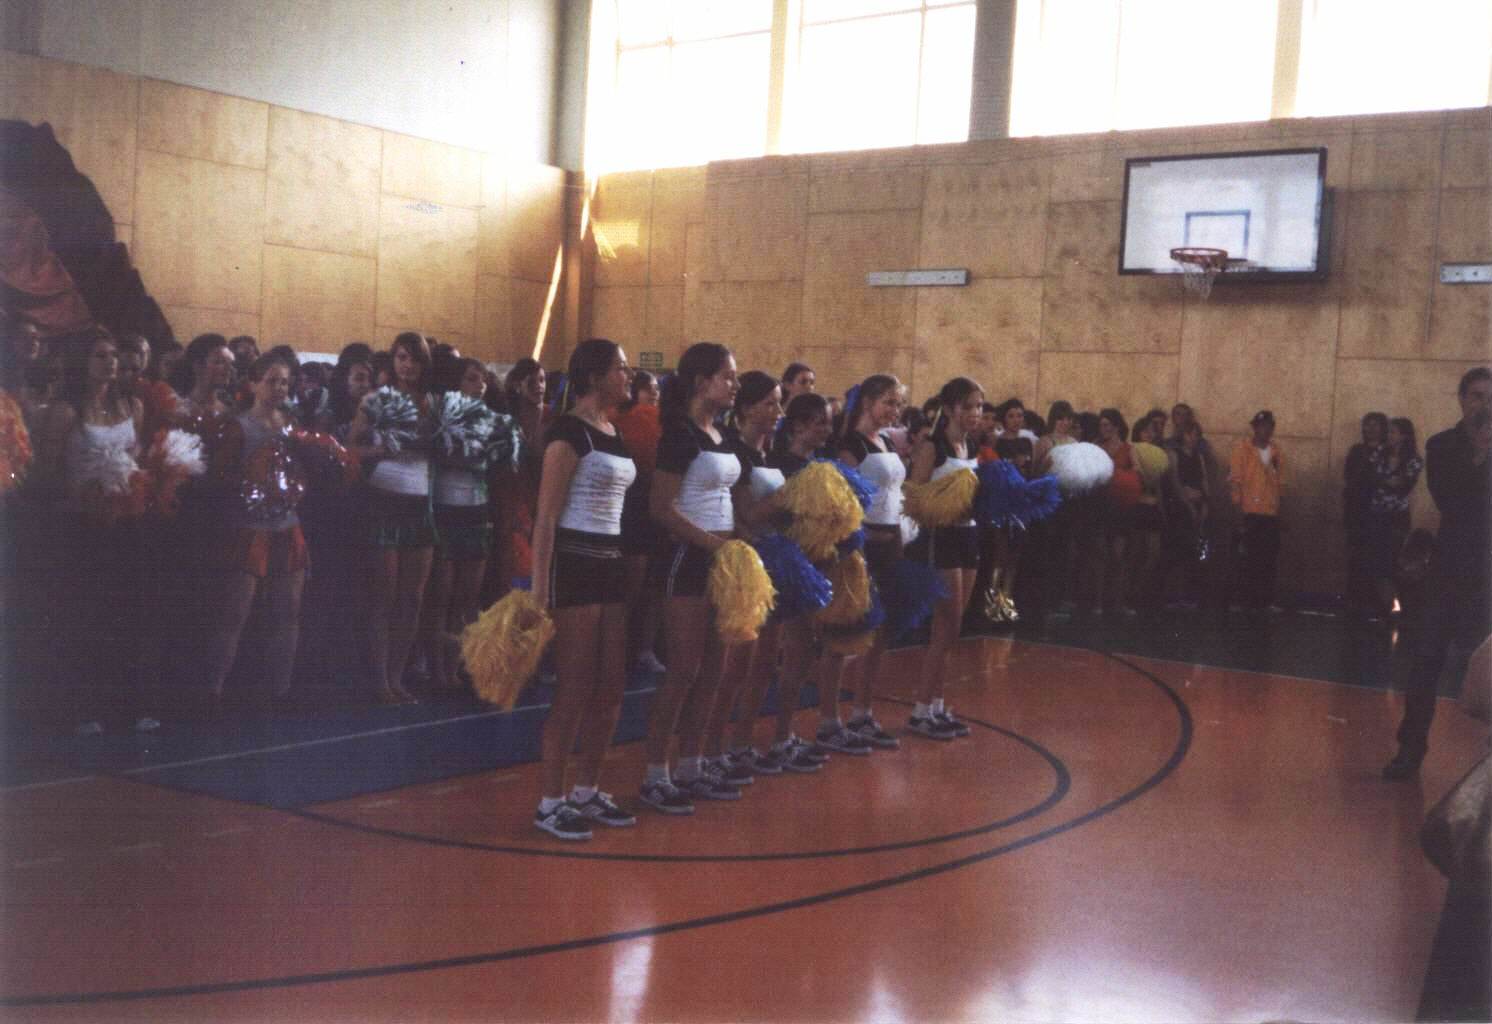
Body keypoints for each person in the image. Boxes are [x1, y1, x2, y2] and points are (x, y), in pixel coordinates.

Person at [529, 339, 639, 840]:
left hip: (611, 563)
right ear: (595, 377)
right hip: (573, 564)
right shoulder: (568, 432)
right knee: (573, 686)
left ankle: (587, 790)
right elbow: (546, 517)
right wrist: (538, 592)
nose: (628, 375)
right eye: (620, 368)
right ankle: (550, 802)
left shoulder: (614, 431)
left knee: (612, 684)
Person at [640, 342, 742, 813]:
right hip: (687, 557)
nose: (734, 385)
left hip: (723, 558)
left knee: (715, 669)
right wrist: (711, 544)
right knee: (684, 669)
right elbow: (661, 508)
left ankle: (691, 765)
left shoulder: (721, 432)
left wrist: (737, 544)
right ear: (701, 381)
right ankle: (655, 774)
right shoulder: (679, 435)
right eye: (728, 376)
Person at [1385, 368, 1492, 780]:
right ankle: (1410, 750)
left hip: (1487, 572)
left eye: (1491, 397)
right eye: (1477, 396)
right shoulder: (1442, 445)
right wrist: (1480, 453)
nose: (1485, 405)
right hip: (1449, 572)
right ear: (1462, 399)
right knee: (1426, 661)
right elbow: (1450, 499)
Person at [197, 354, 309, 710]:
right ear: (255, 383)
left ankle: (281, 690)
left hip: (287, 525)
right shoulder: (239, 425)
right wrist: (253, 481)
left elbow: (302, 471)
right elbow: (218, 476)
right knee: (234, 613)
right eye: (272, 380)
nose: (279, 388)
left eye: (284, 382)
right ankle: (213, 690)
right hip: (248, 527)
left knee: (288, 611)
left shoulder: (292, 425)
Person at [348, 332, 437, 705]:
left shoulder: (434, 403)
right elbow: (350, 448)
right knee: (384, 595)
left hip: (420, 500)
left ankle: (398, 676)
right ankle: (380, 678)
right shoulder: (376, 400)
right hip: (384, 498)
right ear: (393, 360)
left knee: (412, 598)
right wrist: (382, 448)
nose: (408, 365)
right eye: (402, 357)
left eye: (414, 359)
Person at [905, 377, 984, 739]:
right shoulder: (932, 447)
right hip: (942, 539)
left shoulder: (973, 445)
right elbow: (913, 499)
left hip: (969, 536)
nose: (975, 413)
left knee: (955, 628)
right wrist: (945, 507)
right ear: (950, 409)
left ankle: (937, 705)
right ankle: (921, 710)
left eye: (979, 406)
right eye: (968, 406)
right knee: (944, 626)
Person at [832, 374, 907, 750]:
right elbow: (844, 500)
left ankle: (862, 711)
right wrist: (862, 539)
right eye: (888, 402)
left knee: (881, 634)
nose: (895, 410)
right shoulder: (851, 444)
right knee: (845, 635)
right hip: (862, 546)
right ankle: (830, 719)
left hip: (891, 542)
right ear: (867, 402)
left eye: (898, 404)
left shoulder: (888, 441)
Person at [1364, 417, 1422, 622]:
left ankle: (1397, 607)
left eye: (1393, 432)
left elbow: (1403, 485)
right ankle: (1386, 606)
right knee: (1377, 562)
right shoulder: (1380, 453)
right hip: (1377, 514)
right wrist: (1389, 481)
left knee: (1393, 562)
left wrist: (1386, 481)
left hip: (1396, 516)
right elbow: (1371, 477)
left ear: (1404, 436)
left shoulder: (1413, 459)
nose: (1389, 436)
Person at [1228, 410, 1286, 614]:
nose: (1265, 430)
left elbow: (1282, 483)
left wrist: (1280, 510)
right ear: (1254, 428)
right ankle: (1241, 600)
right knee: (1245, 558)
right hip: (1249, 512)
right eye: (1261, 426)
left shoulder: (1276, 452)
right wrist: (1237, 509)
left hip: (1270, 514)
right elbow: (1235, 480)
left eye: (1269, 426)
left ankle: (1265, 601)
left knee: (1268, 559)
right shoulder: (1242, 450)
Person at [1344, 412, 1389, 621]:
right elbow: (1350, 477)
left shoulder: (1387, 452)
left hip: (1379, 513)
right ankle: (1354, 602)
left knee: (1375, 560)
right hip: (1358, 511)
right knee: (1356, 559)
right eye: (1367, 425)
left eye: (1375, 425)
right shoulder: (1357, 451)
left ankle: (1372, 604)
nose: (1370, 429)